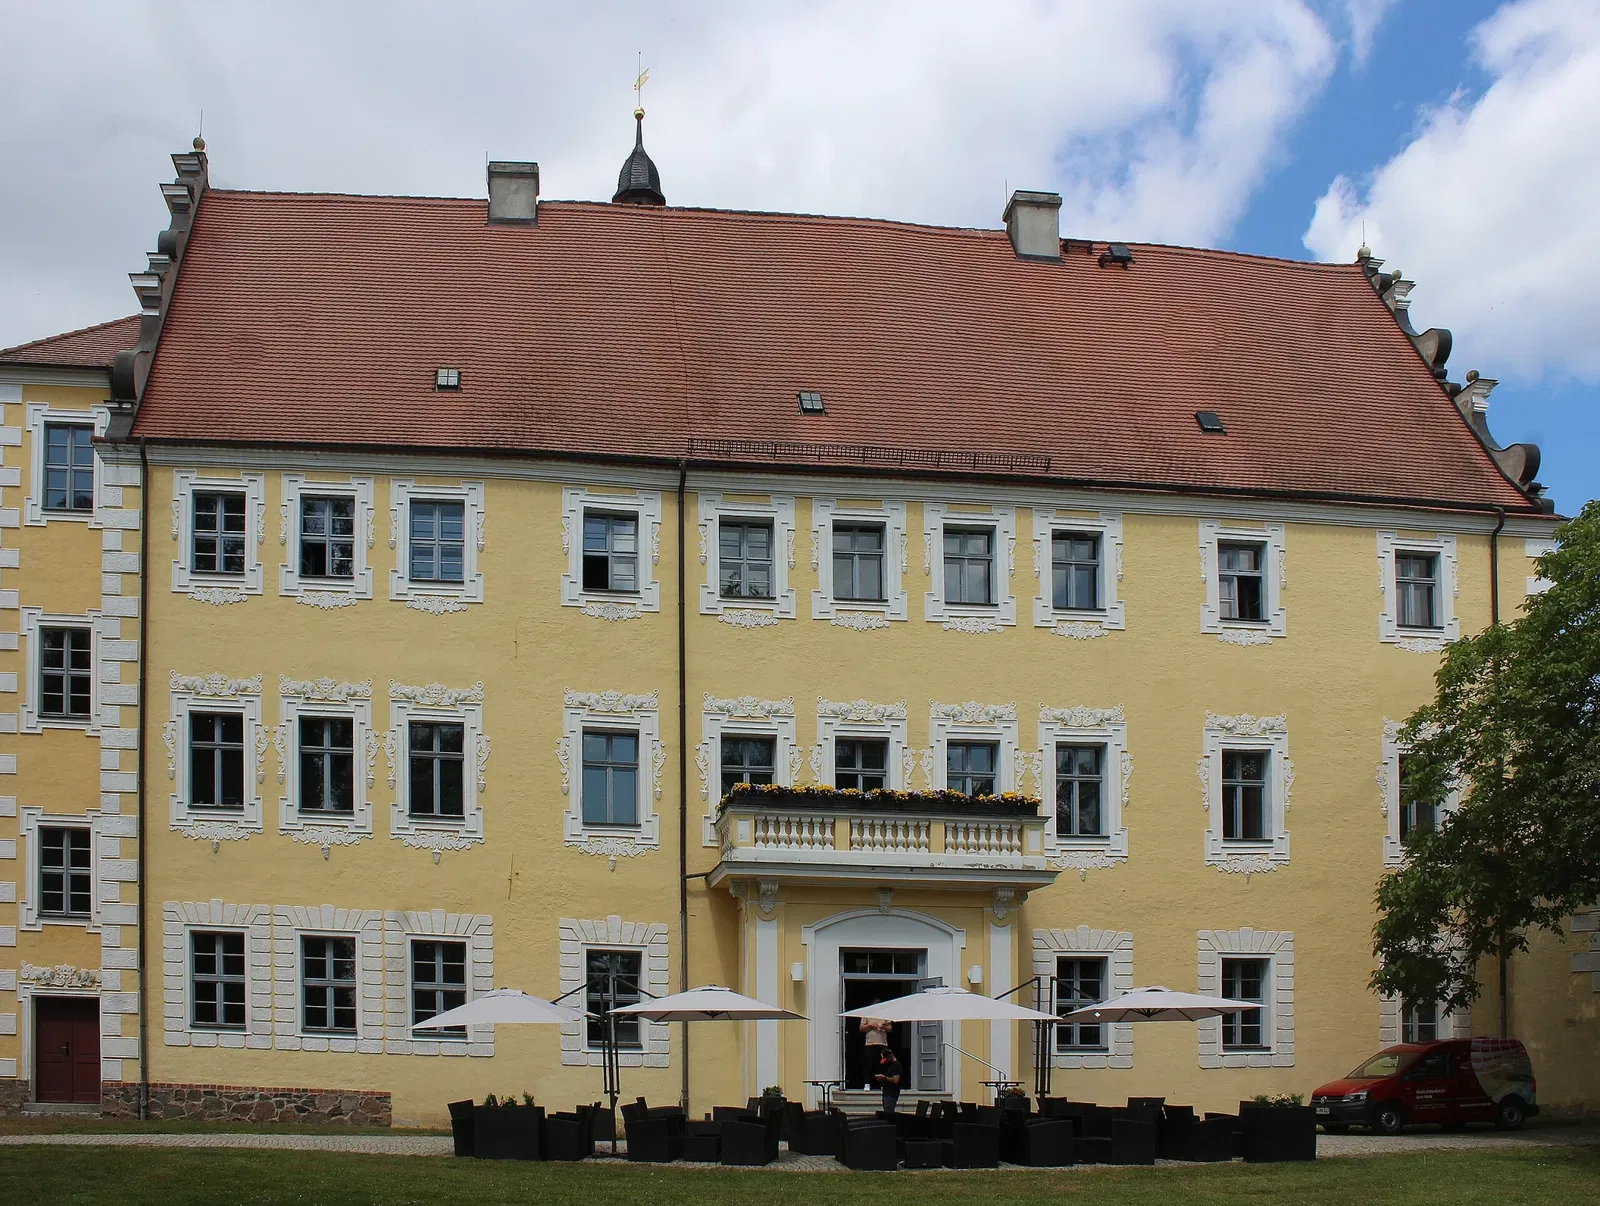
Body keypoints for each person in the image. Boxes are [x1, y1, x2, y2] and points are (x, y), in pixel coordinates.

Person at [873, 1046, 903, 1114]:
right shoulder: (889, 1065)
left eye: (887, 1059)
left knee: (889, 1112)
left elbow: (896, 1080)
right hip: (886, 1093)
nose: (886, 1061)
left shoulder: (896, 1065)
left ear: (890, 1056)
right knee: (886, 1110)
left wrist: (885, 1078)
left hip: (891, 1094)